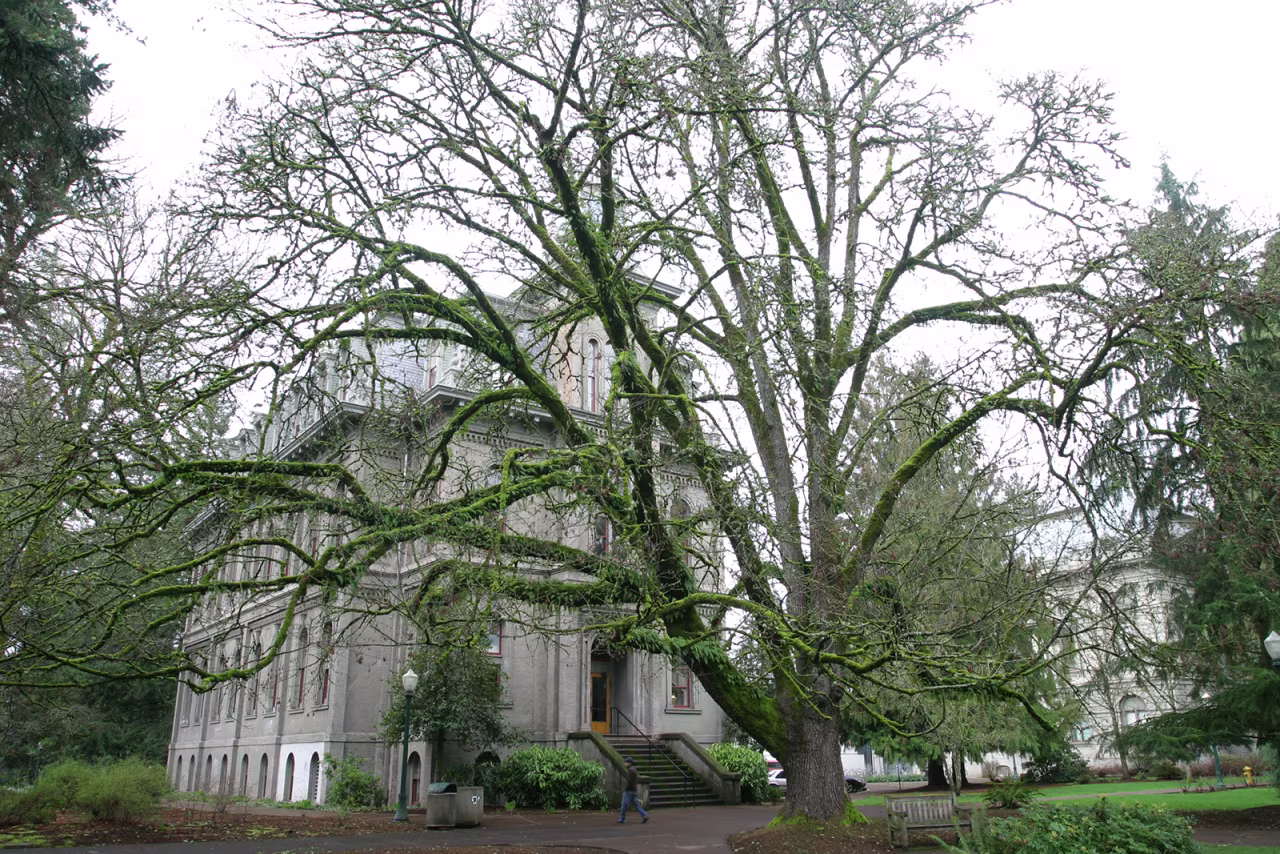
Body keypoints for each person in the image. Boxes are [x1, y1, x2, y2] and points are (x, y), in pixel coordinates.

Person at [618, 756, 649, 823]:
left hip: (629, 790)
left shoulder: (630, 770)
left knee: (624, 805)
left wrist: (626, 788)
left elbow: (630, 781)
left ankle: (622, 819)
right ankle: (645, 815)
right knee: (636, 805)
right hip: (634, 790)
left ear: (629, 763)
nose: (624, 764)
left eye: (626, 762)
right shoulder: (634, 769)